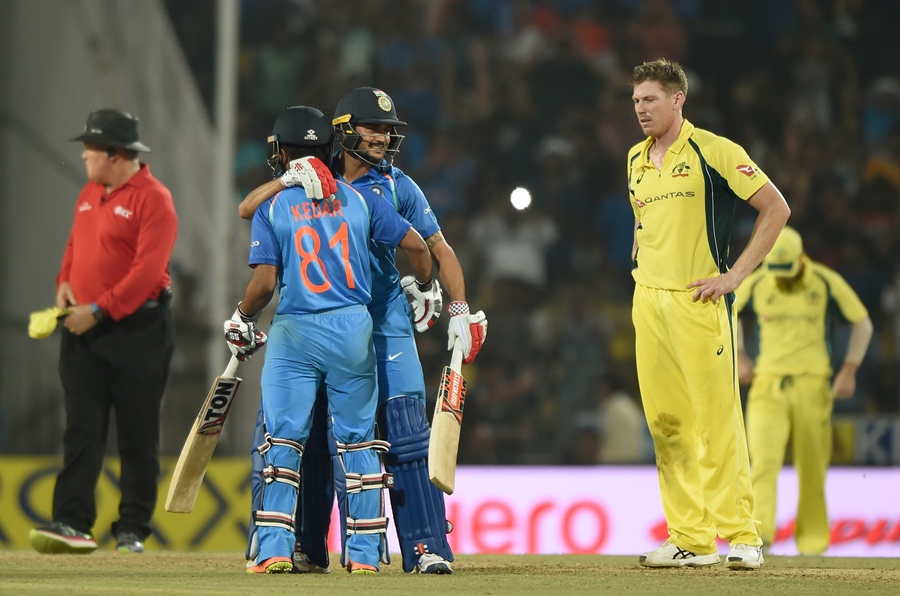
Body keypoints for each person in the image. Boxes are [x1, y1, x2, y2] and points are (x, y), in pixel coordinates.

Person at [239, 87, 487, 575]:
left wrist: (450, 302)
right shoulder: (319, 174)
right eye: (373, 128)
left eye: (388, 130)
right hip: (336, 324)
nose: (383, 138)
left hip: (385, 322)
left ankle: (424, 546)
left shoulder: (398, 185)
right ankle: (310, 546)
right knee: (310, 439)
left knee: (406, 434)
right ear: (345, 130)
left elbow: (439, 250)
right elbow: (260, 206)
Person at [627, 59, 791, 570]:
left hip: (699, 302)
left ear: (678, 100)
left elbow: (776, 208)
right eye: (636, 101)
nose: (641, 109)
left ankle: (742, 535)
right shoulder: (634, 157)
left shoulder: (714, 150)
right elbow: (644, 223)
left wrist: (735, 276)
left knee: (717, 422)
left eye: (650, 99)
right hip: (648, 303)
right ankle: (691, 539)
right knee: (667, 423)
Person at [29, 109, 177, 555]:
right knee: (81, 429)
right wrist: (64, 283)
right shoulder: (90, 193)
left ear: (114, 153)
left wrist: (98, 310)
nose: (84, 157)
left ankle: (132, 529)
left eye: (90, 149)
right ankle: (72, 523)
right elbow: (75, 245)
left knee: (136, 432)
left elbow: (147, 272)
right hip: (83, 329)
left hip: (139, 330)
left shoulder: (154, 199)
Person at [734, 226, 873, 555]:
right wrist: (739, 353)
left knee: (812, 466)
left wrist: (850, 369)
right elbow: (729, 311)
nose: (780, 278)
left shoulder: (824, 282)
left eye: (786, 271)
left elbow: (863, 324)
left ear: (801, 259)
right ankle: (759, 536)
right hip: (767, 386)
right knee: (763, 463)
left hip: (813, 386)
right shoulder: (759, 281)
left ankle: (812, 544)